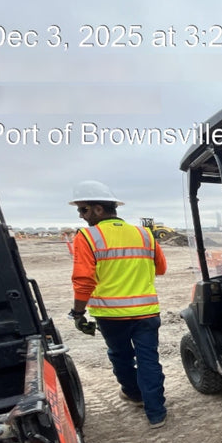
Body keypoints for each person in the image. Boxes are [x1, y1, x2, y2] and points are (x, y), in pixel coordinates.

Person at [68, 180, 169, 428]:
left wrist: (78, 313)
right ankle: (156, 413)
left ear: (99, 209)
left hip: (111, 315)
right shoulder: (145, 234)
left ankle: (134, 395)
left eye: (83, 209)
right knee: (149, 360)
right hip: (146, 311)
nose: (81, 216)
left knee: (121, 356)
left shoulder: (87, 237)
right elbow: (161, 269)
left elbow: (83, 280)